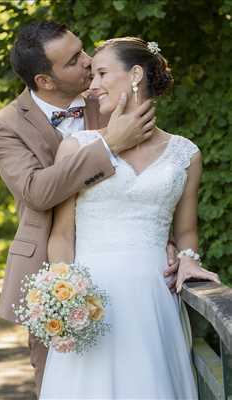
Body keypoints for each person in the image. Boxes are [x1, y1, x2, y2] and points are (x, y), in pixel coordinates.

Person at [0, 22, 179, 396]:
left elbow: (151, 174)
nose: (89, 62)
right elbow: (36, 191)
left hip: (133, 277)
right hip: (52, 279)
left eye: (84, 49)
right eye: (74, 60)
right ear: (45, 80)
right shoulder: (3, 125)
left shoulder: (109, 95)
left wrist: (169, 243)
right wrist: (107, 148)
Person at [40, 37, 220, 399]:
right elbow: (61, 235)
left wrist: (187, 258)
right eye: (91, 76)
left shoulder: (186, 153)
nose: (92, 86)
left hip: (154, 302)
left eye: (102, 73)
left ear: (136, 75)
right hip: (89, 304)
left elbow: (186, 231)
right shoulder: (77, 146)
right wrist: (64, 297)